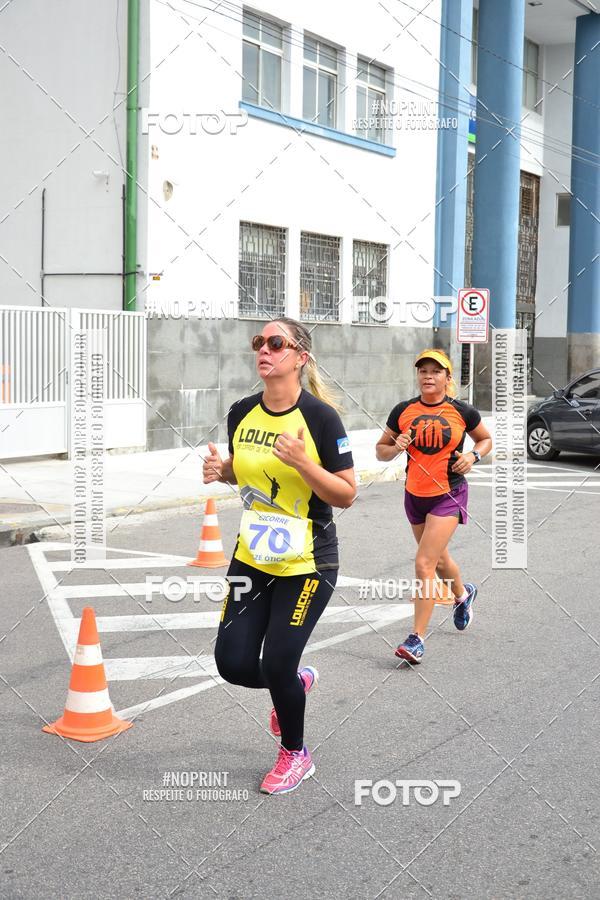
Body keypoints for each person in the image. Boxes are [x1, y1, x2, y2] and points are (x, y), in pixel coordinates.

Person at [203, 317, 356, 795]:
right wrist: (223, 471)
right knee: (231, 663)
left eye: (276, 343)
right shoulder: (241, 413)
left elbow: (347, 494)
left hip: (309, 561)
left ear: (300, 357)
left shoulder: (321, 419)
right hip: (252, 558)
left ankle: (295, 752)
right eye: (259, 343)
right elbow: (250, 478)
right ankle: (297, 682)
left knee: (276, 663)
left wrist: (305, 463)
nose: (263, 351)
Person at [375, 348, 492, 664]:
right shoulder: (403, 411)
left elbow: (485, 440)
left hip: (448, 494)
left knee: (424, 563)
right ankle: (463, 595)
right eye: (423, 370)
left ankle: (416, 640)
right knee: (439, 560)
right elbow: (380, 451)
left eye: (435, 371)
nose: (428, 376)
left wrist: (472, 456)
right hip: (414, 495)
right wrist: (395, 446)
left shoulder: (461, 411)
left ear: (447, 377)